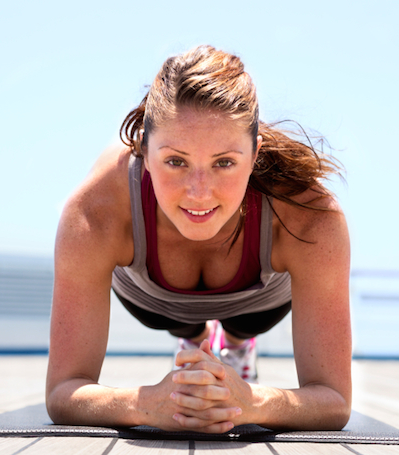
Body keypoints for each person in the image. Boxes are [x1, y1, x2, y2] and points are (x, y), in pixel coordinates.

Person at [46, 45, 352, 433]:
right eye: (176, 161)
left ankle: (237, 347)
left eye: (224, 162)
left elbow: (335, 400)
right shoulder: (94, 212)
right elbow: (62, 391)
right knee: (182, 326)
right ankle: (195, 344)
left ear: (255, 154)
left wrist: (251, 402)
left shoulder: (309, 216)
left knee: (244, 326)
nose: (199, 192)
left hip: (258, 302)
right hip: (154, 301)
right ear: (142, 148)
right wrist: (149, 404)